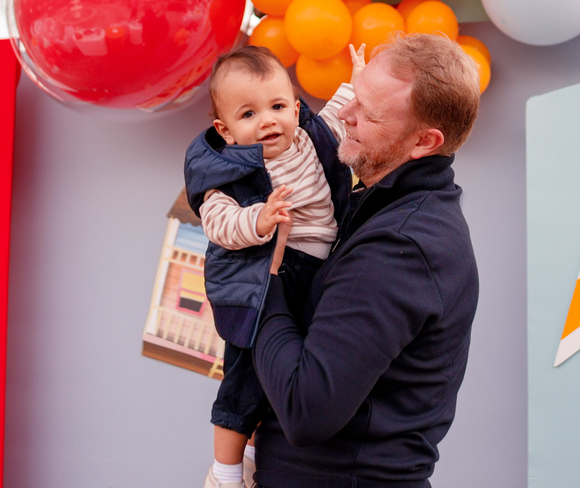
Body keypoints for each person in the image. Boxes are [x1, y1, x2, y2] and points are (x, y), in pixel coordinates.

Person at [250, 33, 481, 488]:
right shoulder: (381, 208)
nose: (344, 115)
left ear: (424, 142)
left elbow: (306, 410)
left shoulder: (400, 247)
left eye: (369, 114)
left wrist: (264, 280)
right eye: (355, 95)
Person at [184, 44, 365, 488]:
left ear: (296, 107)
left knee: (284, 369)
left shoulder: (310, 138)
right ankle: (223, 474)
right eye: (248, 115)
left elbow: (340, 115)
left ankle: (249, 454)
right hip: (267, 278)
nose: (267, 120)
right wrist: (258, 220)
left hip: (318, 271)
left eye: (278, 106)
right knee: (244, 378)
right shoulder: (230, 171)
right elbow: (218, 223)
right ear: (224, 131)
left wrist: (358, 80)